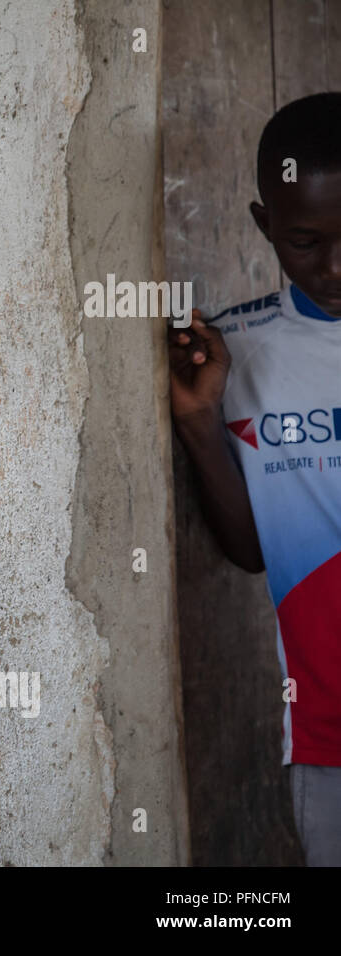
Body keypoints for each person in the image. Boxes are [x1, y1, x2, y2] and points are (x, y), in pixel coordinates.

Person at [168, 91, 341, 866]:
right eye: (306, 241)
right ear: (265, 223)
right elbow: (251, 549)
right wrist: (202, 424)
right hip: (328, 734)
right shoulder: (236, 352)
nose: (335, 266)